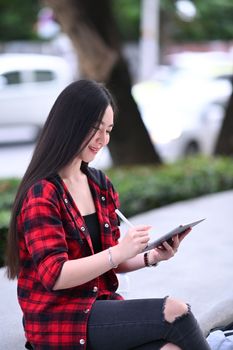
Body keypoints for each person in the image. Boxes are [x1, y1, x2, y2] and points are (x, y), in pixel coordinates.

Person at [6, 79, 210, 350]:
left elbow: (110, 260)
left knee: (171, 348)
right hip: (58, 320)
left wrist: (151, 256)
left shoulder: (99, 184)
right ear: (70, 124)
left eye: (109, 130)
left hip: (97, 308)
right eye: (96, 129)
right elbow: (55, 275)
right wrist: (119, 251)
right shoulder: (42, 193)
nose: (103, 139)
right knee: (175, 311)